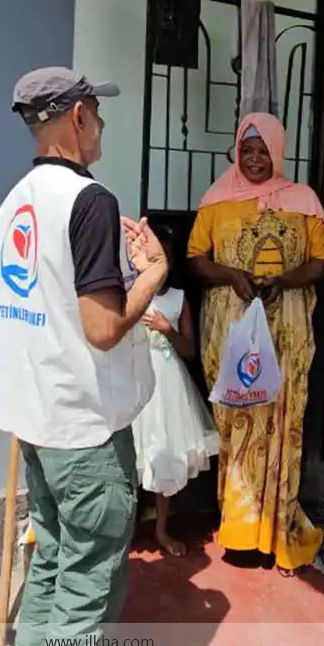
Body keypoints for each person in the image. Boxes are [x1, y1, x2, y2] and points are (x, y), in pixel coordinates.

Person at [0, 67, 169, 646]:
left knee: (52, 567)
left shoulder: (15, 204)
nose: (103, 124)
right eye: (97, 111)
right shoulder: (88, 201)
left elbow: (4, 299)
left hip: (37, 423)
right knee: (85, 587)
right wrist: (153, 270)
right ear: (75, 118)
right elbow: (101, 327)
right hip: (86, 432)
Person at [186, 111, 324, 577]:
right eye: (247, 150)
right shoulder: (216, 199)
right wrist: (230, 274)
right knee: (238, 418)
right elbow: (194, 257)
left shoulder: (303, 200)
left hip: (285, 330)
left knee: (282, 415)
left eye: (263, 150)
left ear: (278, 151)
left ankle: (276, 526)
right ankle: (239, 526)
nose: (254, 158)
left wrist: (287, 279)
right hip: (232, 330)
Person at [131, 224, 220, 557]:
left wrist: (167, 330)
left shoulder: (177, 299)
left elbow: (190, 351)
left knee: (166, 453)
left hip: (168, 384)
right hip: (136, 379)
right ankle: (126, 528)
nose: (161, 262)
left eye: (166, 256)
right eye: (156, 255)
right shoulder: (133, 292)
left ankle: (161, 529)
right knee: (134, 454)